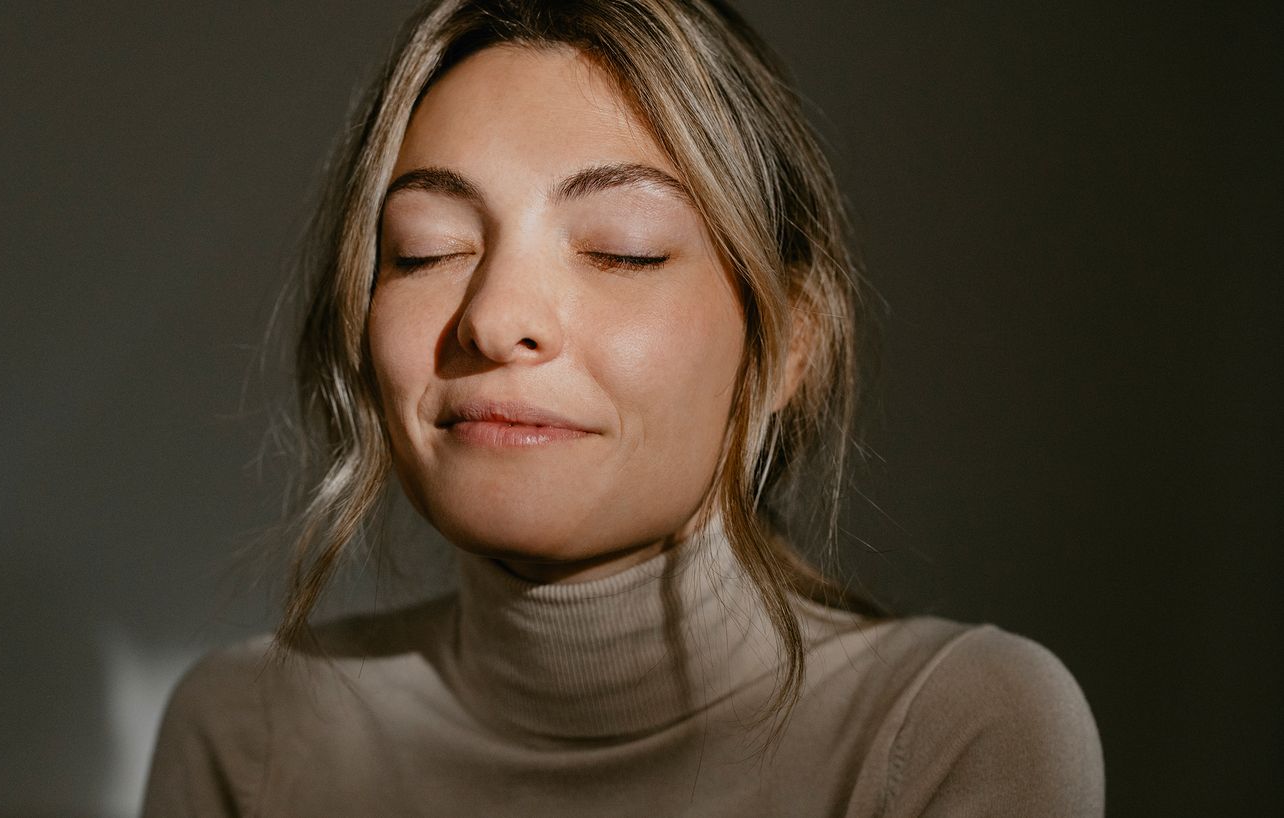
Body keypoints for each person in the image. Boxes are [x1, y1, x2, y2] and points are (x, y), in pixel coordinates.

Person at [142, 1, 1104, 815]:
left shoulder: (953, 727)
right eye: (426, 249)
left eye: (622, 248)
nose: (496, 319)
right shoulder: (245, 737)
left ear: (789, 344)